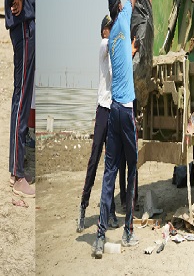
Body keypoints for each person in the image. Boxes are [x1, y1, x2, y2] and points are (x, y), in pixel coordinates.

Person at [92, 0, 140, 259]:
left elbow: (121, 60)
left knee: (109, 172)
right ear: (119, 4)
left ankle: (99, 236)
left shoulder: (111, 42)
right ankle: (128, 231)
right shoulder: (124, 18)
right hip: (128, 111)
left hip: (112, 112)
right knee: (132, 169)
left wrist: (130, 51)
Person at [5, 0, 36, 198]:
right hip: (25, 25)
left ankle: (19, 163)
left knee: (24, 95)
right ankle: (17, 173)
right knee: (21, 95)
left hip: (28, 20)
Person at [77, 15, 119, 233]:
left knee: (111, 165)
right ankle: (83, 206)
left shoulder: (113, 49)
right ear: (104, 31)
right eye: (110, 28)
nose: (113, 32)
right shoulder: (104, 45)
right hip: (103, 110)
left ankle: (110, 210)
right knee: (94, 159)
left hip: (114, 111)